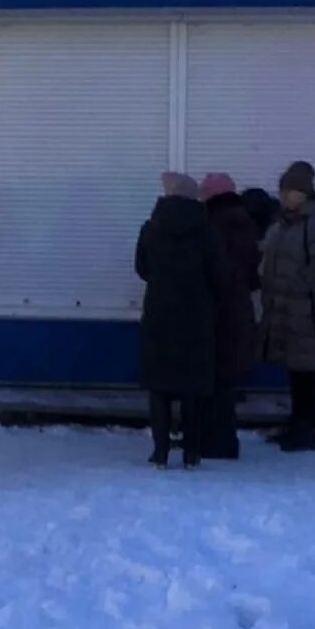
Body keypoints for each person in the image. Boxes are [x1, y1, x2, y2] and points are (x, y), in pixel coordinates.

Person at [134, 172, 222, 469]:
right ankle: (191, 453)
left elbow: (142, 268)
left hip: (159, 314)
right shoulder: (207, 231)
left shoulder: (150, 228)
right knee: (191, 389)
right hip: (196, 316)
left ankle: (160, 452)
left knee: (159, 388)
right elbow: (218, 275)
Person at [259, 160, 315, 452]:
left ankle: (306, 429)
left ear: (303, 193)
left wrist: (293, 285)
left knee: (306, 371)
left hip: (306, 309)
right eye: (282, 191)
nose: (283, 197)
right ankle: (297, 424)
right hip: (285, 308)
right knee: (295, 370)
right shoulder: (284, 222)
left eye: (288, 191)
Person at [199, 173, 262, 460]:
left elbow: (213, 270)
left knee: (215, 380)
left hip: (218, 310)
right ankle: (224, 441)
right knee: (225, 381)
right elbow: (252, 276)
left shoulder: (214, 225)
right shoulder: (246, 223)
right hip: (239, 309)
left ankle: (216, 442)